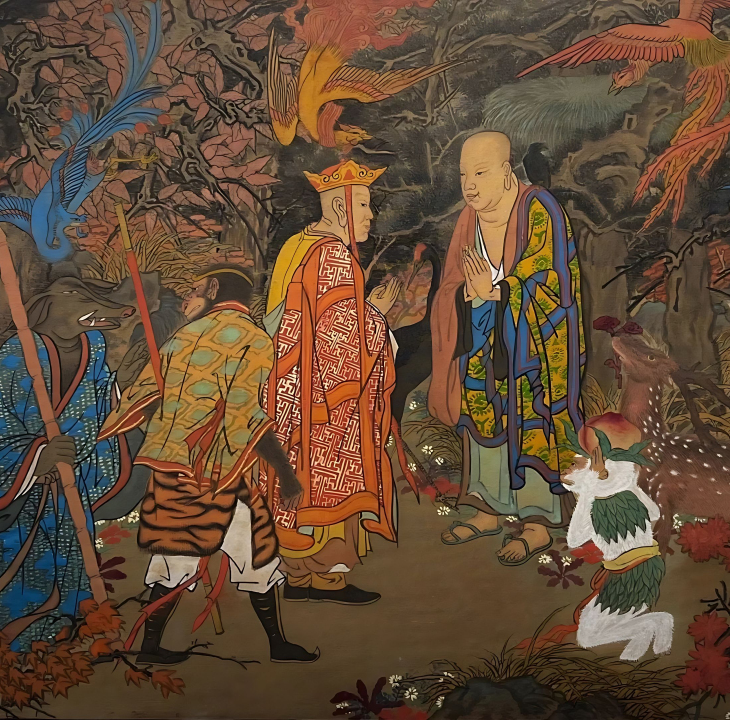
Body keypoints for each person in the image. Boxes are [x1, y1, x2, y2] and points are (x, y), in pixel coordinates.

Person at [99, 264, 319, 664]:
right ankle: (155, 646)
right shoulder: (253, 339)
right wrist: (286, 476)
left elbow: (144, 398)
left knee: (225, 549)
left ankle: (273, 644)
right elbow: (246, 418)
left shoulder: (181, 338)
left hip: (183, 468)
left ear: (214, 288)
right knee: (222, 553)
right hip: (214, 470)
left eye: (194, 289)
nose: (187, 298)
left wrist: (171, 425)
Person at [0, 275, 136, 651]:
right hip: (18, 483)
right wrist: (36, 457)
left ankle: (56, 640)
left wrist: (122, 392)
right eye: (84, 302)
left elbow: (96, 400)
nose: (99, 316)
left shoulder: (94, 345)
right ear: (52, 306)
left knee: (69, 562)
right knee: (13, 565)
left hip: (67, 484)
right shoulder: (18, 351)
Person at [428, 131, 587, 566]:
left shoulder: (539, 207)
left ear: (505, 170)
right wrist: (468, 294)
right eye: (464, 175)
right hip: (482, 336)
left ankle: (536, 522)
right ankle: (487, 509)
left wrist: (499, 290)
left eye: (480, 173)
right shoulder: (469, 219)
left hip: (532, 343)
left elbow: (552, 278)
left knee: (531, 420)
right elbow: (452, 282)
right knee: (482, 414)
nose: (470, 186)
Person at [261, 159, 407, 605]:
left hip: (288, 386)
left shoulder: (297, 244)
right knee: (327, 478)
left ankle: (297, 575)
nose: (370, 215)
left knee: (295, 476)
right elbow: (341, 339)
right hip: (325, 395)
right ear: (341, 207)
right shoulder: (334, 255)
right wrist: (378, 315)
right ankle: (327, 579)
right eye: (362, 205)